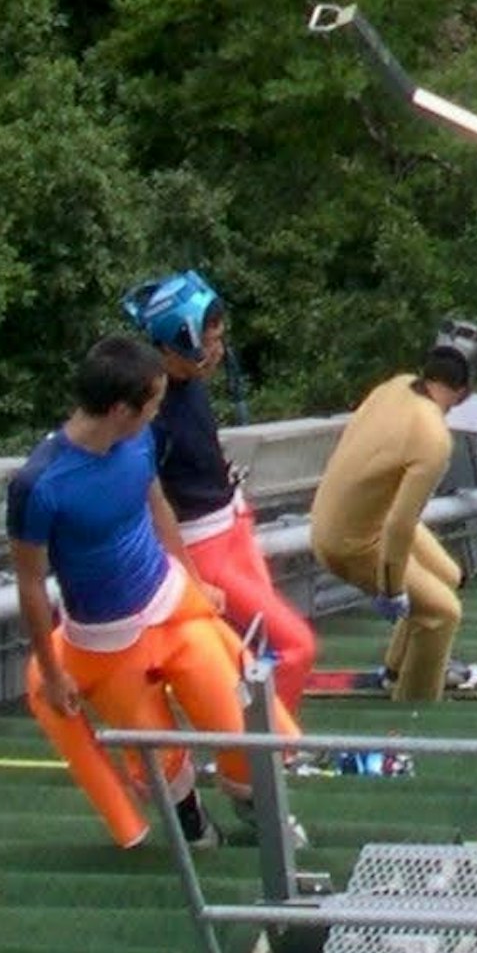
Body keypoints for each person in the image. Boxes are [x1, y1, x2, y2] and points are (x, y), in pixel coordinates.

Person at [12, 332, 292, 848]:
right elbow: (30, 583)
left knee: (238, 717)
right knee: (156, 755)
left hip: (169, 601)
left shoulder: (138, 439)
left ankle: (258, 809)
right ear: (122, 409)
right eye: (154, 403)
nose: (160, 411)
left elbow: (156, 503)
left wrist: (195, 579)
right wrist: (52, 674)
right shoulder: (40, 484)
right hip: (105, 637)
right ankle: (194, 828)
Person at [125, 272, 316, 713]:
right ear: (181, 339)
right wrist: (190, 578)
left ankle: (254, 749)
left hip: (231, 523)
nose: (219, 350)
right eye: (211, 340)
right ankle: (261, 760)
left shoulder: (188, 384)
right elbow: (151, 507)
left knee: (257, 650)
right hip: (202, 546)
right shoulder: (150, 413)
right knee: (293, 647)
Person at [311, 321, 477, 703]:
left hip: (335, 517)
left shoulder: (395, 385)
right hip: (351, 542)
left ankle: (397, 669)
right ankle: (415, 706)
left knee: (448, 576)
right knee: (442, 613)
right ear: (467, 388)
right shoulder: (435, 438)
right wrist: (392, 589)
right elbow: (401, 523)